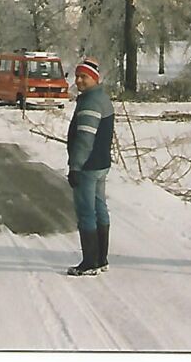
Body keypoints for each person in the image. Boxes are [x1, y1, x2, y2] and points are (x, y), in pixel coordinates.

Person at [66, 57, 114, 276]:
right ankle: (101, 258)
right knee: (100, 208)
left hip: (88, 166)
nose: (79, 81)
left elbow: (85, 138)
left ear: (94, 78)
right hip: (101, 163)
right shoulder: (102, 98)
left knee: (86, 212)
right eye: (77, 76)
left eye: (84, 77)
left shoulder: (90, 103)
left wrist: (75, 167)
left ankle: (90, 262)